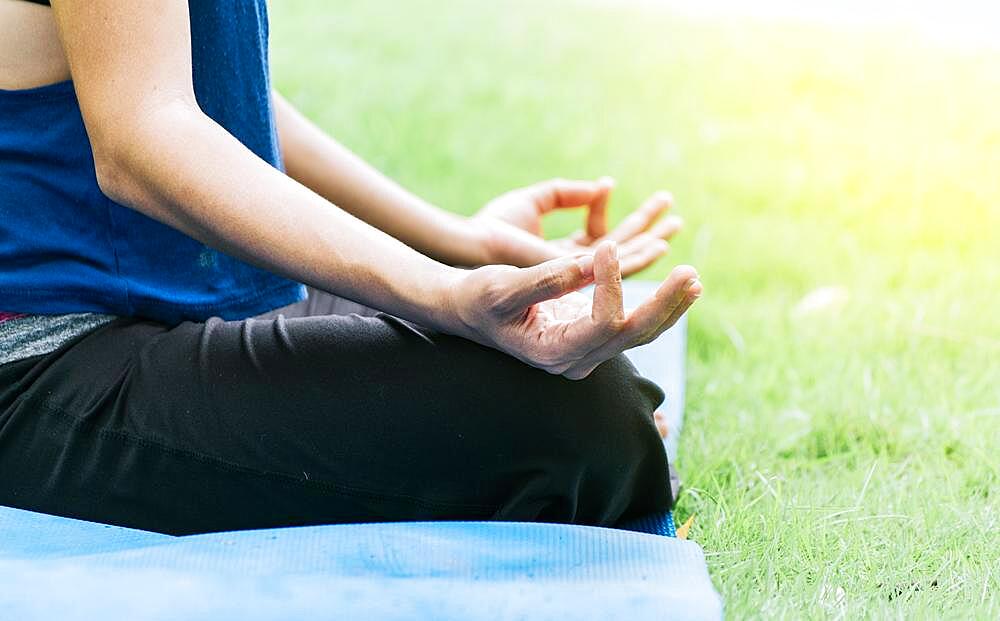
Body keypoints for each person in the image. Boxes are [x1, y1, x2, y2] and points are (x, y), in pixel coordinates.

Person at [0, 0, 702, 535]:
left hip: (181, 301)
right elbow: (142, 137)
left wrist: (461, 242)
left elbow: (216, 89)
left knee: (561, 364)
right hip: (42, 357)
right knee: (581, 417)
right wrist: (445, 292)